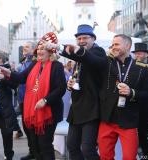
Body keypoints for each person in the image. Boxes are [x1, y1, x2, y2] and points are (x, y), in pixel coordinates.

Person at [0, 32, 66, 160]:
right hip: (33, 111)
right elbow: (21, 78)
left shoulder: (57, 66)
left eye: (43, 49)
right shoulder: (35, 65)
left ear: (50, 51)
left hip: (49, 112)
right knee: (34, 145)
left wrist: (45, 100)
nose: (39, 51)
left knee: (44, 144)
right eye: (38, 49)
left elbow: (60, 89)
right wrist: (8, 73)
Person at [45, 24, 106, 160]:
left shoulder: (98, 51)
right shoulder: (79, 58)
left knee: (87, 149)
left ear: (93, 39)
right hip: (77, 108)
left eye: (85, 37)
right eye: (79, 38)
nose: (81, 40)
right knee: (72, 146)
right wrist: (70, 83)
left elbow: (89, 58)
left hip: (92, 108)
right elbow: (79, 74)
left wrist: (58, 47)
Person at [97, 35, 148, 160]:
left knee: (129, 157)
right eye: (112, 45)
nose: (113, 47)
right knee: (105, 156)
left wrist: (132, 92)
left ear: (127, 46)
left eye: (117, 44)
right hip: (107, 119)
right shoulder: (106, 64)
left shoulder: (141, 68)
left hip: (128, 120)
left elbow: (147, 94)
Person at [0, 52, 24, 140]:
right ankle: (18, 129)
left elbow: (13, 84)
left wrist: (3, 77)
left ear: (0, 59)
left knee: (7, 127)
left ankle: (9, 152)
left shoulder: (7, 69)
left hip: (6, 102)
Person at [16, 41, 36, 160]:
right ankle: (32, 151)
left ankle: (36, 152)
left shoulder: (35, 63)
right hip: (22, 99)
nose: (24, 48)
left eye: (27, 47)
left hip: (32, 100)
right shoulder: (23, 63)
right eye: (24, 47)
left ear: (34, 49)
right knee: (26, 127)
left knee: (32, 128)